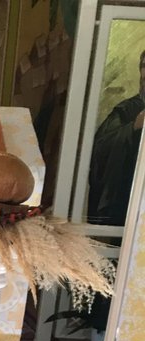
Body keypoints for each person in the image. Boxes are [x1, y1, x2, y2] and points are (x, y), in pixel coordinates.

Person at [87, 50, 145, 226]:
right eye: (144, 66)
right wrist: (133, 128)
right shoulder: (126, 110)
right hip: (125, 204)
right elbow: (101, 149)